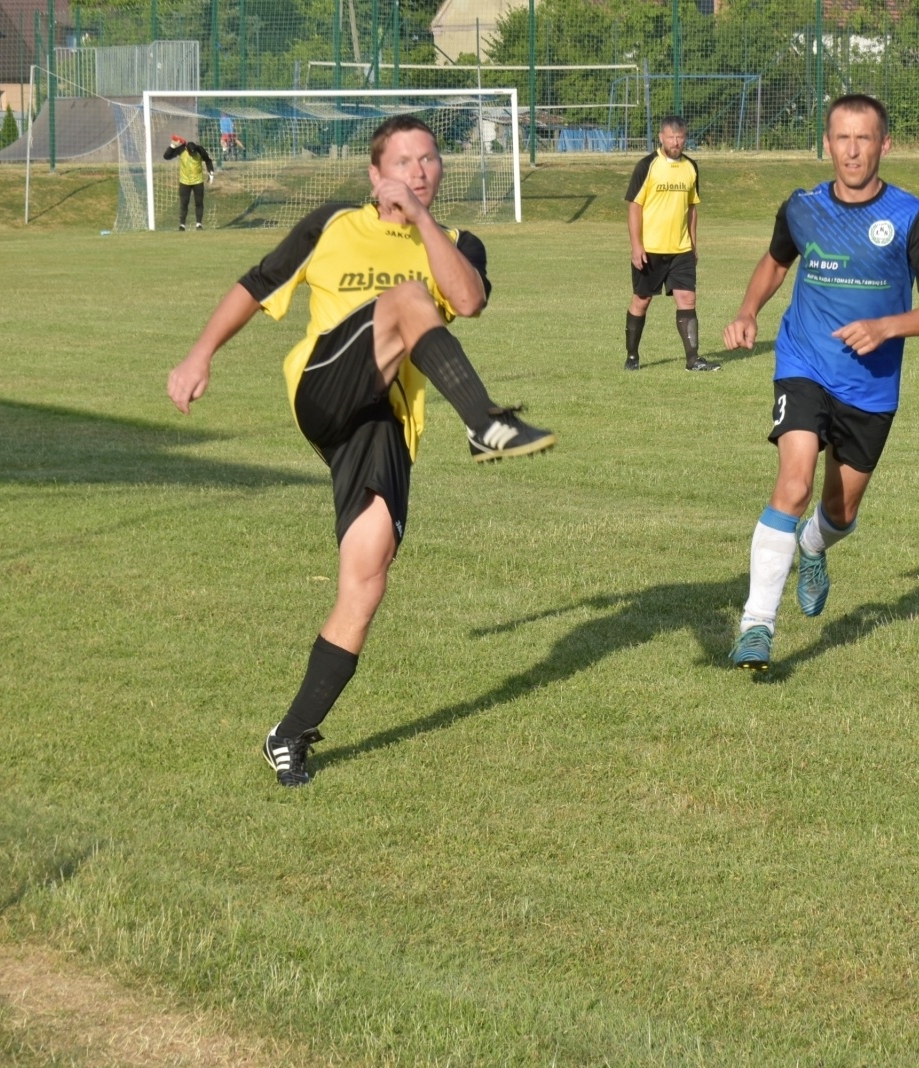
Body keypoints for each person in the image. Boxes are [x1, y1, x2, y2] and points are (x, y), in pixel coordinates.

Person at [165, 115, 556, 786]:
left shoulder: (459, 244)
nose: (419, 171)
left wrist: (424, 225)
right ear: (375, 176)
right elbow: (256, 286)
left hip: (383, 422)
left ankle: (289, 733)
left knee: (366, 579)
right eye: (403, 161)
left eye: (429, 159)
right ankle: (483, 423)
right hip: (321, 390)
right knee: (403, 299)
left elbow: (468, 299)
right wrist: (199, 355)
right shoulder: (333, 225)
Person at [721, 94, 919, 672]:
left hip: (871, 387)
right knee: (795, 481)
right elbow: (777, 261)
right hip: (803, 362)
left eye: (864, 139)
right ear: (825, 144)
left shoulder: (912, 217)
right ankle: (757, 624)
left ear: (885, 145)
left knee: (840, 510)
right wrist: (750, 309)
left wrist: (888, 326)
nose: (852, 151)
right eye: (841, 139)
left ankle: (812, 548)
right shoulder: (801, 208)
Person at [623, 116, 718, 372]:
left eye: (680, 137)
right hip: (650, 249)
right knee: (641, 300)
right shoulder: (647, 166)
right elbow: (635, 207)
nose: (676, 142)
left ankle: (693, 359)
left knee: (687, 298)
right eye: (671, 137)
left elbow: (692, 208)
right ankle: (632, 356)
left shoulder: (691, 167)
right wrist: (636, 245)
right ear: (661, 137)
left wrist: (693, 244)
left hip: (681, 249)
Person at [163, 135, 215, 231]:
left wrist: (211, 173)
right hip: (184, 182)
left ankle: (199, 224)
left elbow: (208, 161)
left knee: (199, 203)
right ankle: (182, 225)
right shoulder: (181, 149)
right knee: (184, 203)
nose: (192, 154)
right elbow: (166, 157)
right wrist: (172, 146)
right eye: (190, 153)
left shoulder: (200, 150)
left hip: (198, 181)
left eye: (193, 153)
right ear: (186, 149)